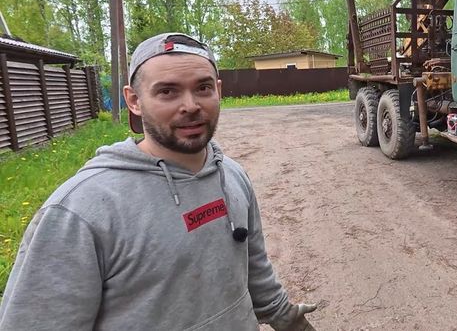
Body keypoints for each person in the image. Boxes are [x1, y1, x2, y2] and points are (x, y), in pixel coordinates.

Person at [0, 33, 316, 330]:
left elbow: (253, 265)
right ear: (134, 100)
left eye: (203, 88)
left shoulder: (232, 175)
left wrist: (284, 315)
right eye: (167, 91)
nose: (191, 105)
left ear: (218, 91)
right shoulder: (79, 211)